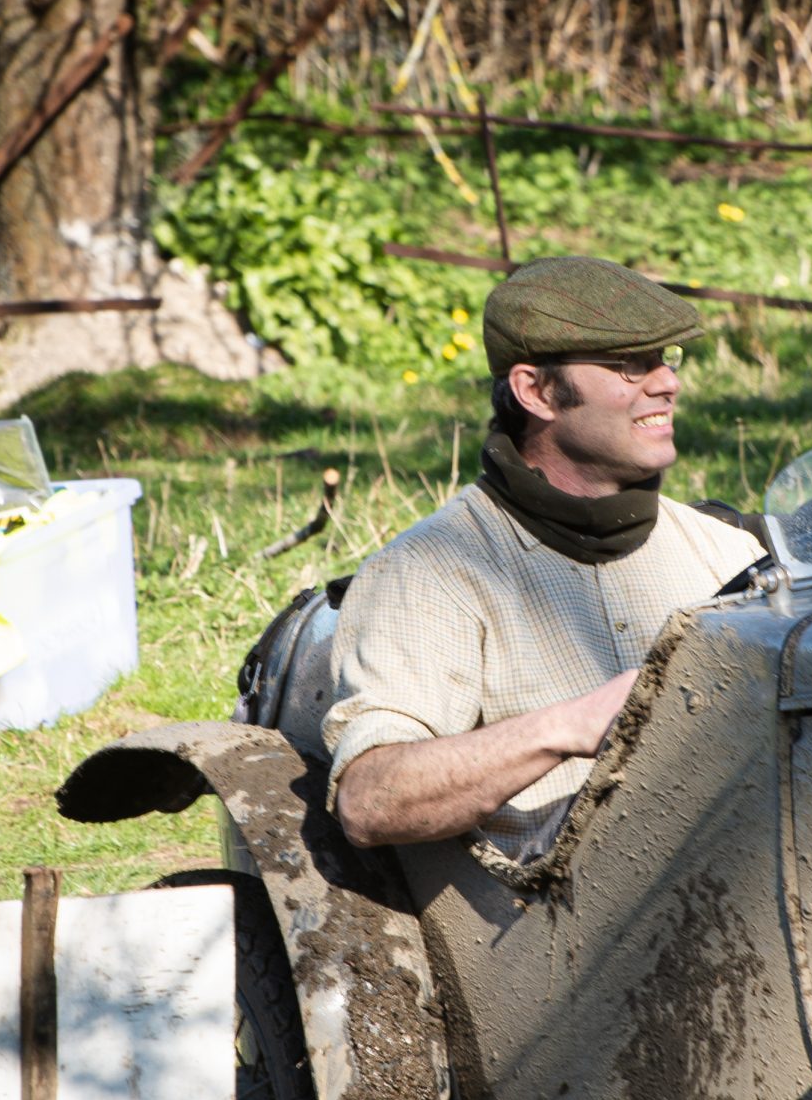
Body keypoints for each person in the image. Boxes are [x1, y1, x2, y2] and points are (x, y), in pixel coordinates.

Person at [322, 256, 763, 859]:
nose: (667, 382)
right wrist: (567, 728)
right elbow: (370, 802)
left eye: (666, 359)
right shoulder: (431, 572)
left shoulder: (729, 554)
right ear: (536, 391)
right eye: (629, 366)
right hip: (539, 935)